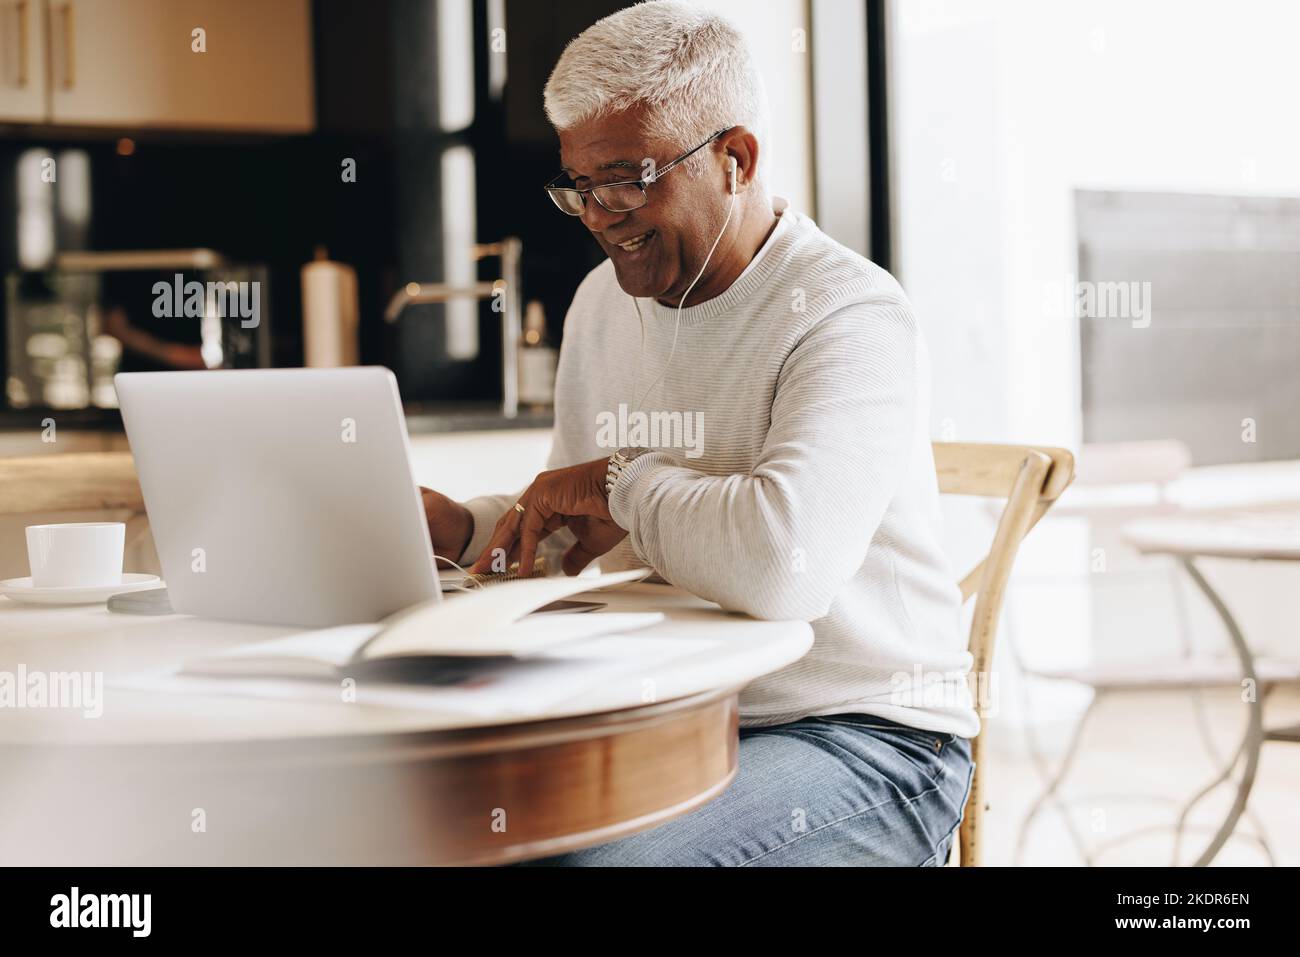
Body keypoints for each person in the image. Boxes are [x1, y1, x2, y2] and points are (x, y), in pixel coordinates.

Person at [420, 0, 975, 866]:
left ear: (736, 159)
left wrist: (620, 481)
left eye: (629, 177)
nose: (600, 213)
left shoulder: (848, 312)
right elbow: (581, 525)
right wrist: (464, 527)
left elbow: (780, 561)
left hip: (866, 735)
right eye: (579, 186)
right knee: (442, 831)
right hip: (668, 716)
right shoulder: (601, 304)